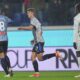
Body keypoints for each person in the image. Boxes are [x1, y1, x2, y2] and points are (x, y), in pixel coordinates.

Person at [18, 8, 62, 77]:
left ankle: (55, 54)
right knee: (35, 58)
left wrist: (22, 28)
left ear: (32, 13)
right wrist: (34, 39)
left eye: (28, 13)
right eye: (27, 13)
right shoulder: (35, 20)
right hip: (38, 42)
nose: (27, 15)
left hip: (39, 42)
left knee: (39, 58)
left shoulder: (34, 20)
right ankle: (37, 73)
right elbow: (40, 31)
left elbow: (30, 28)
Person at [0, 9, 13, 77]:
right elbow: (11, 21)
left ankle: (7, 73)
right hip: (5, 39)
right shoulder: (5, 18)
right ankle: (10, 68)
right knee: (5, 55)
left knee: (1, 57)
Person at [73, 3, 80, 78]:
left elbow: (75, 30)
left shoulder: (77, 18)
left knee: (79, 54)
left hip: (79, 39)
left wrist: (74, 41)